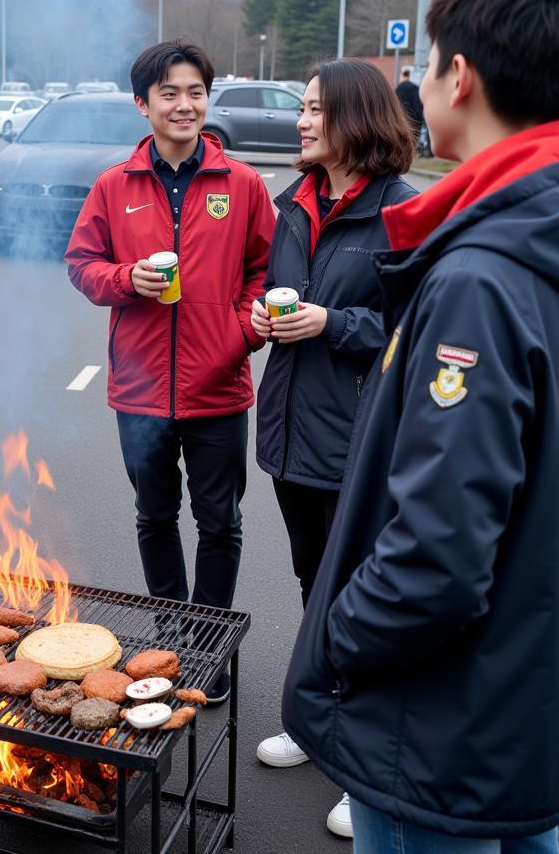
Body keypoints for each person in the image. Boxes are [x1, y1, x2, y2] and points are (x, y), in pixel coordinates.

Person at [282, 0, 559, 852]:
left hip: (439, 729)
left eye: (428, 64)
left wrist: (334, 650)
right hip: (520, 705)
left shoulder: (483, 275)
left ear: (461, 78)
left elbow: (435, 561)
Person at [65, 39, 274, 703]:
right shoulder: (114, 185)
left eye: (195, 92)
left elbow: (265, 274)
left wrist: (240, 332)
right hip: (140, 391)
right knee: (154, 517)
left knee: (220, 523)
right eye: (170, 94)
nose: (185, 105)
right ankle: (169, 635)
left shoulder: (240, 185)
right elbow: (81, 265)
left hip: (219, 389)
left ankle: (208, 647)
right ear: (143, 104)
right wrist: (128, 278)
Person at [250, 59, 417, 839]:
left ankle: (361, 768)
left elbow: (417, 332)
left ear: (356, 117)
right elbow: (285, 295)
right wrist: (267, 320)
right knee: (315, 585)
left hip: (355, 440)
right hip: (291, 436)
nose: (302, 121)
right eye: (303, 109)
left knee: (359, 601)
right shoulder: (296, 204)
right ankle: (319, 727)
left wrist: (333, 325)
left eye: (316, 110)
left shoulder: (400, 213)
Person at [395, 67, 424, 140]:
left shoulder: (399, 88)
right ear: (409, 75)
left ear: (403, 75)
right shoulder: (416, 88)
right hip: (416, 121)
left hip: (403, 120)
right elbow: (419, 106)